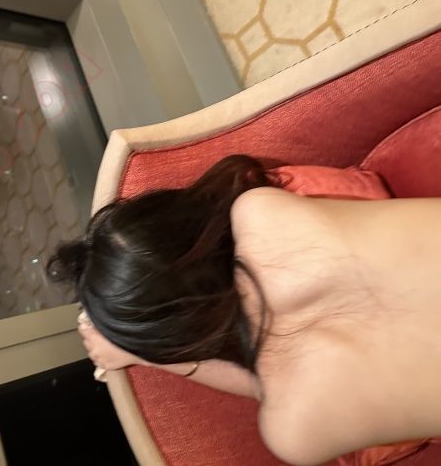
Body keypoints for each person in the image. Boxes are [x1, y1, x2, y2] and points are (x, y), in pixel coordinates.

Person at [46, 155, 441, 466]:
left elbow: (269, 377)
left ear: (175, 342)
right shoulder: (262, 209)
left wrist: (148, 354)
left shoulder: (294, 430)